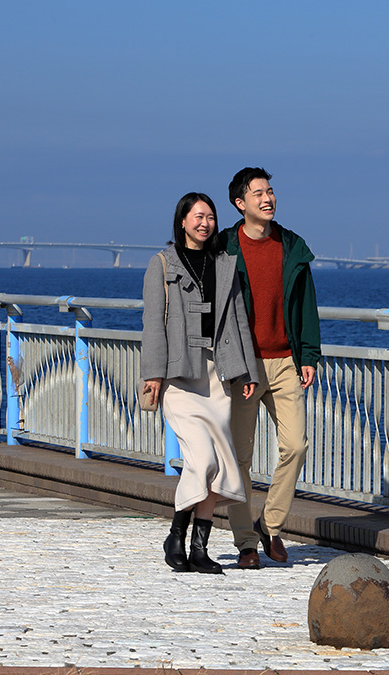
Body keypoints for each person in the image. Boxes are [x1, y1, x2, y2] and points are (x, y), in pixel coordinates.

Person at [141, 192, 259, 574]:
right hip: (179, 375)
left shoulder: (225, 265)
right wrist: (153, 376)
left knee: (221, 466)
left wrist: (248, 372)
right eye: (197, 216)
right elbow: (153, 326)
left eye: (210, 216)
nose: (205, 223)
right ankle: (176, 534)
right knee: (202, 458)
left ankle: (199, 548)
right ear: (182, 221)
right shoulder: (161, 265)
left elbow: (239, 321)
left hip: (216, 374)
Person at [217, 167, 322, 569]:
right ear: (240, 203)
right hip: (243, 366)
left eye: (271, 191)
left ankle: (270, 525)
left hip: (284, 362)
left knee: (296, 445)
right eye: (258, 193)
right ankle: (245, 541)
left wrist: (308, 355)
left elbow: (306, 304)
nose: (268, 199)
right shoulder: (225, 246)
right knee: (239, 458)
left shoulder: (292, 246)